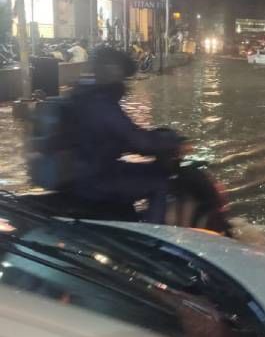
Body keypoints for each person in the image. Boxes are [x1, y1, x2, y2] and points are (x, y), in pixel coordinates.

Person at [65, 46, 183, 222]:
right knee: (159, 182)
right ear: (112, 71)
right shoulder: (101, 104)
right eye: (120, 73)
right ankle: (150, 243)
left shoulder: (80, 96)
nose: (123, 81)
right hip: (96, 178)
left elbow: (116, 137)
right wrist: (173, 144)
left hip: (81, 174)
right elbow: (139, 142)